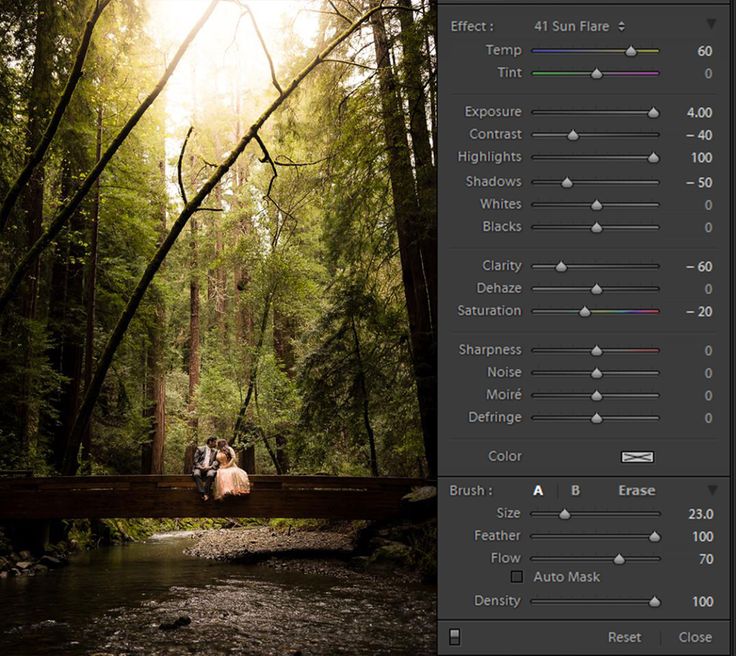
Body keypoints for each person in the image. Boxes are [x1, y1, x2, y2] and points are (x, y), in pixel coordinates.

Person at [192, 436, 220, 501]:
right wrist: (200, 467)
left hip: (210, 468)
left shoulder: (215, 451)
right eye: (214, 442)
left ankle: (206, 493)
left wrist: (210, 467)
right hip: (199, 468)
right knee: (196, 474)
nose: (216, 444)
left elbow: (216, 461)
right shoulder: (200, 449)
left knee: (211, 475)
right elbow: (195, 460)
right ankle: (203, 493)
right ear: (210, 442)